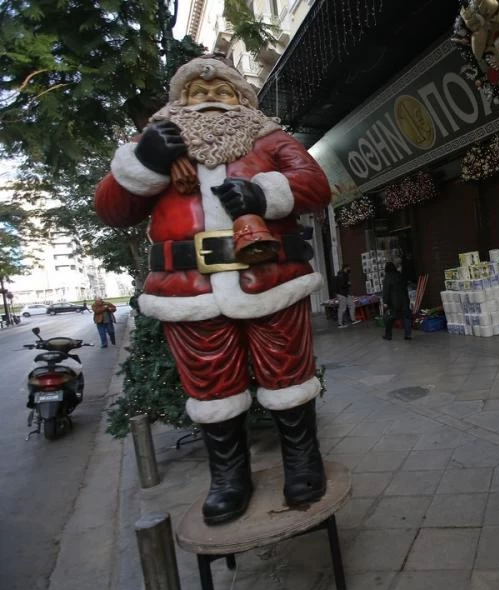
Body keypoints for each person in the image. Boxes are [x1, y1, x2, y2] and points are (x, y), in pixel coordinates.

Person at [95, 56, 331, 524]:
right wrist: (144, 162)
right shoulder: (153, 145)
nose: (208, 101)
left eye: (221, 92)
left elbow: (314, 184)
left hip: (271, 279)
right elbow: (112, 209)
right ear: (178, 101)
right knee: (210, 386)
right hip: (188, 288)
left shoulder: (269, 139)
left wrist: (264, 195)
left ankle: (303, 461)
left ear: (243, 100)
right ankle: (229, 477)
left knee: (287, 373)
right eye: (197, 94)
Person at [382, 261, 411, 341]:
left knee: (389, 318)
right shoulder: (399, 275)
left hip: (394, 302)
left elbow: (386, 291)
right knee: (406, 317)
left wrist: (385, 302)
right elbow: (405, 285)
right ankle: (407, 335)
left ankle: (388, 336)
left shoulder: (387, 277)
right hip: (404, 300)